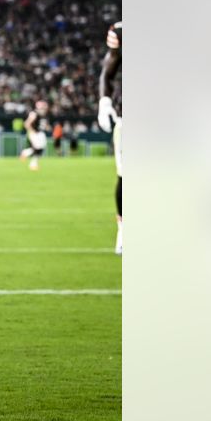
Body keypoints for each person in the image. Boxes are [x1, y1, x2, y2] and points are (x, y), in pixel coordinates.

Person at [98, 20, 122, 254]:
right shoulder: (121, 31)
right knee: (125, 176)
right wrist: (105, 102)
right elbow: (108, 72)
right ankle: (124, 229)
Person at [21, 100, 50, 172]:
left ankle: (26, 152)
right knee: (38, 148)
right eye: (43, 107)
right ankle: (33, 164)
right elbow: (26, 123)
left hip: (41, 133)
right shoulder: (34, 113)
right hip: (35, 133)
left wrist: (47, 127)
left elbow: (43, 124)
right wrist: (32, 131)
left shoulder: (44, 115)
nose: (44, 109)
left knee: (40, 148)